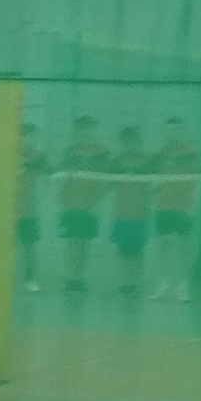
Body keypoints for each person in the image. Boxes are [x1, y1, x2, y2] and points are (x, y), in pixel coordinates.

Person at [149, 120, 201, 304]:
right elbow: (153, 180)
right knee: (162, 246)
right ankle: (164, 285)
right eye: (168, 131)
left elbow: (199, 180)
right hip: (163, 207)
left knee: (184, 247)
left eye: (175, 130)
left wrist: (193, 204)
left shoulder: (192, 152)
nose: (171, 134)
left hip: (184, 207)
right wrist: (154, 198)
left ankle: (183, 286)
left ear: (181, 132)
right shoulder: (160, 154)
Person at [52, 117, 107, 297]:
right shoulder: (69, 153)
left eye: (89, 129)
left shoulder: (102, 153)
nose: (86, 133)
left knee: (84, 243)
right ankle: (71, 277)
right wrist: (61, 203)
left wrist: (97, 203)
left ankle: (80, 277)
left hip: (89, 206)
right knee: (71, 242)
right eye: (82, 129)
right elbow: (61, 178)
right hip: (70, 205)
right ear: (77, 132)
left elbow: (105, 182)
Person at [105, 123, 155, 295]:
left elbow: (154, 186)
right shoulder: (116, 162)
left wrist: (148, 206)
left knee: (137, 252)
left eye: (133, 141)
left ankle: (135, 283)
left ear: (138, 141)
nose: (130, 145)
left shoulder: (147, 161)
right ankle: (125, 282)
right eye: (126, 142)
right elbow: (107, 185)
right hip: (121, 214)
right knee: (123, 251)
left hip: (140, 214)